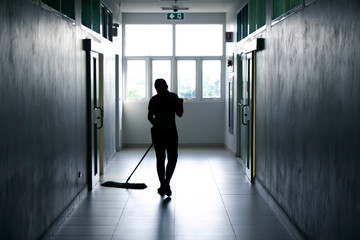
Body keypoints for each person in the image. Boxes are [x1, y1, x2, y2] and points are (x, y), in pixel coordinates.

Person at [148, 78, 184, 197]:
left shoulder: (154, 99)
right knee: (172, 159)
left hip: (158, 133)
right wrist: (180, 104)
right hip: (171, 133)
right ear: (167, 86)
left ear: (156, 88)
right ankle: (166, 183)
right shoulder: (173, 97)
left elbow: (149, 117)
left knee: (160, 158)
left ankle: (163, 184)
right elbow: (180, 114)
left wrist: (156, 124)